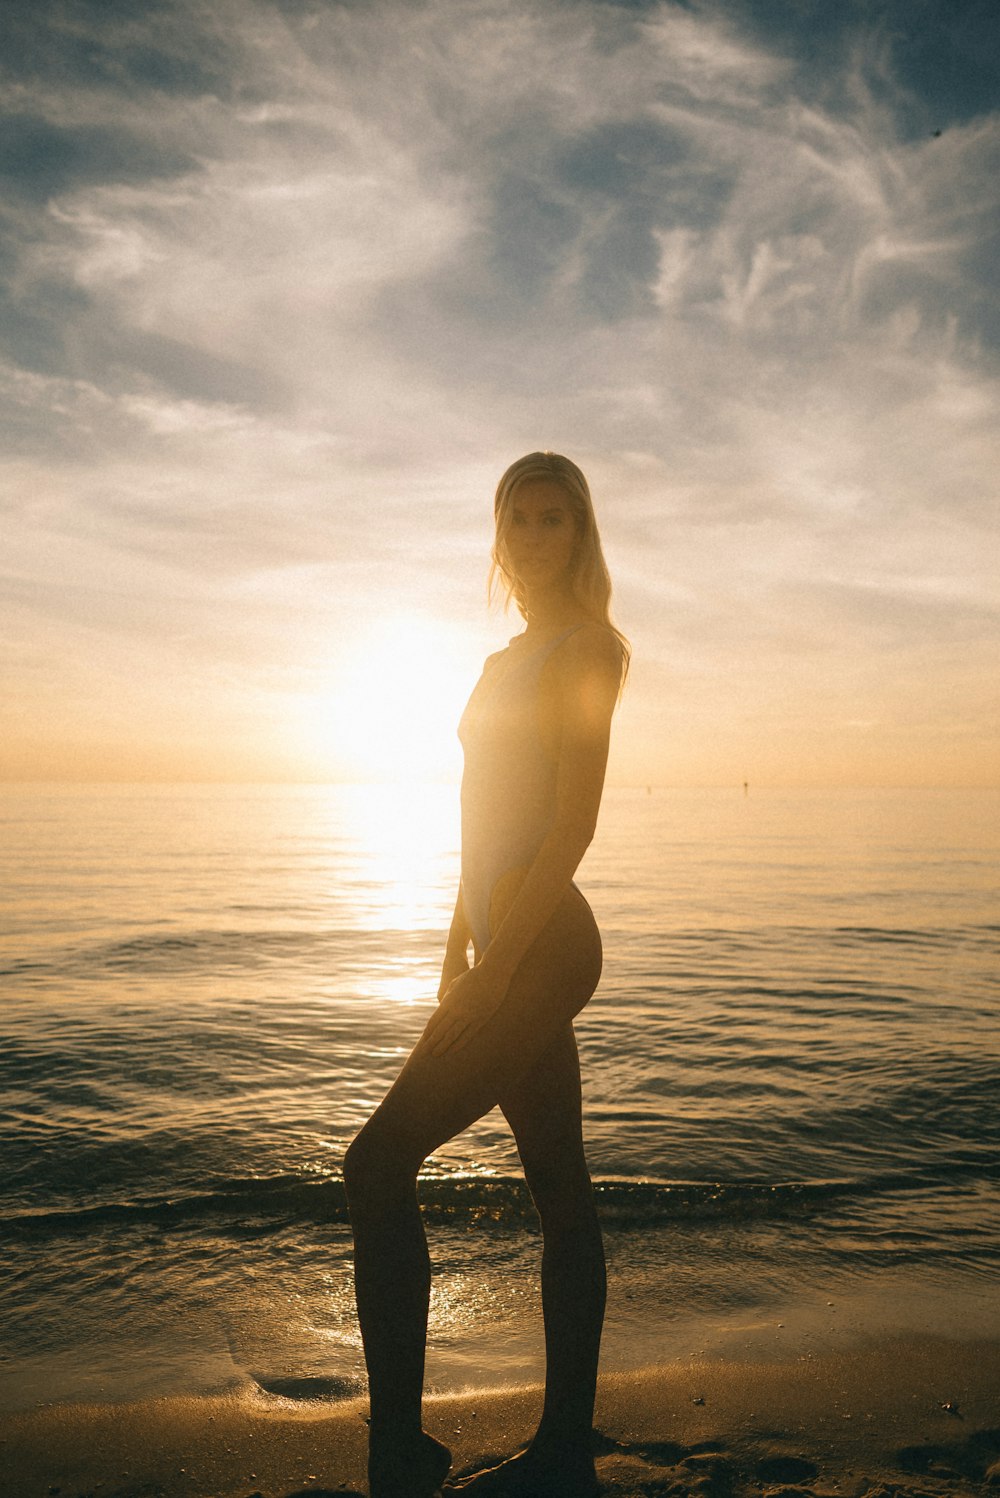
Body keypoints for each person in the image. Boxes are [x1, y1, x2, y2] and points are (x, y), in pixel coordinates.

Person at [343, 451, 630, 1498]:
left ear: (579, 533)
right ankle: (563, 1451)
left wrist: (498, 963)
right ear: (500, 535)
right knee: (559, 1186)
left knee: (371, 1165)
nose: (531, 534)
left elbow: (571, 823)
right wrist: (448, 948)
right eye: (516, 517)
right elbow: (474, 812)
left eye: (552, 517)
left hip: (542, 942)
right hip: (494, 939)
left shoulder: (589, 649)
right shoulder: (498, 659)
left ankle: (399, 1454)